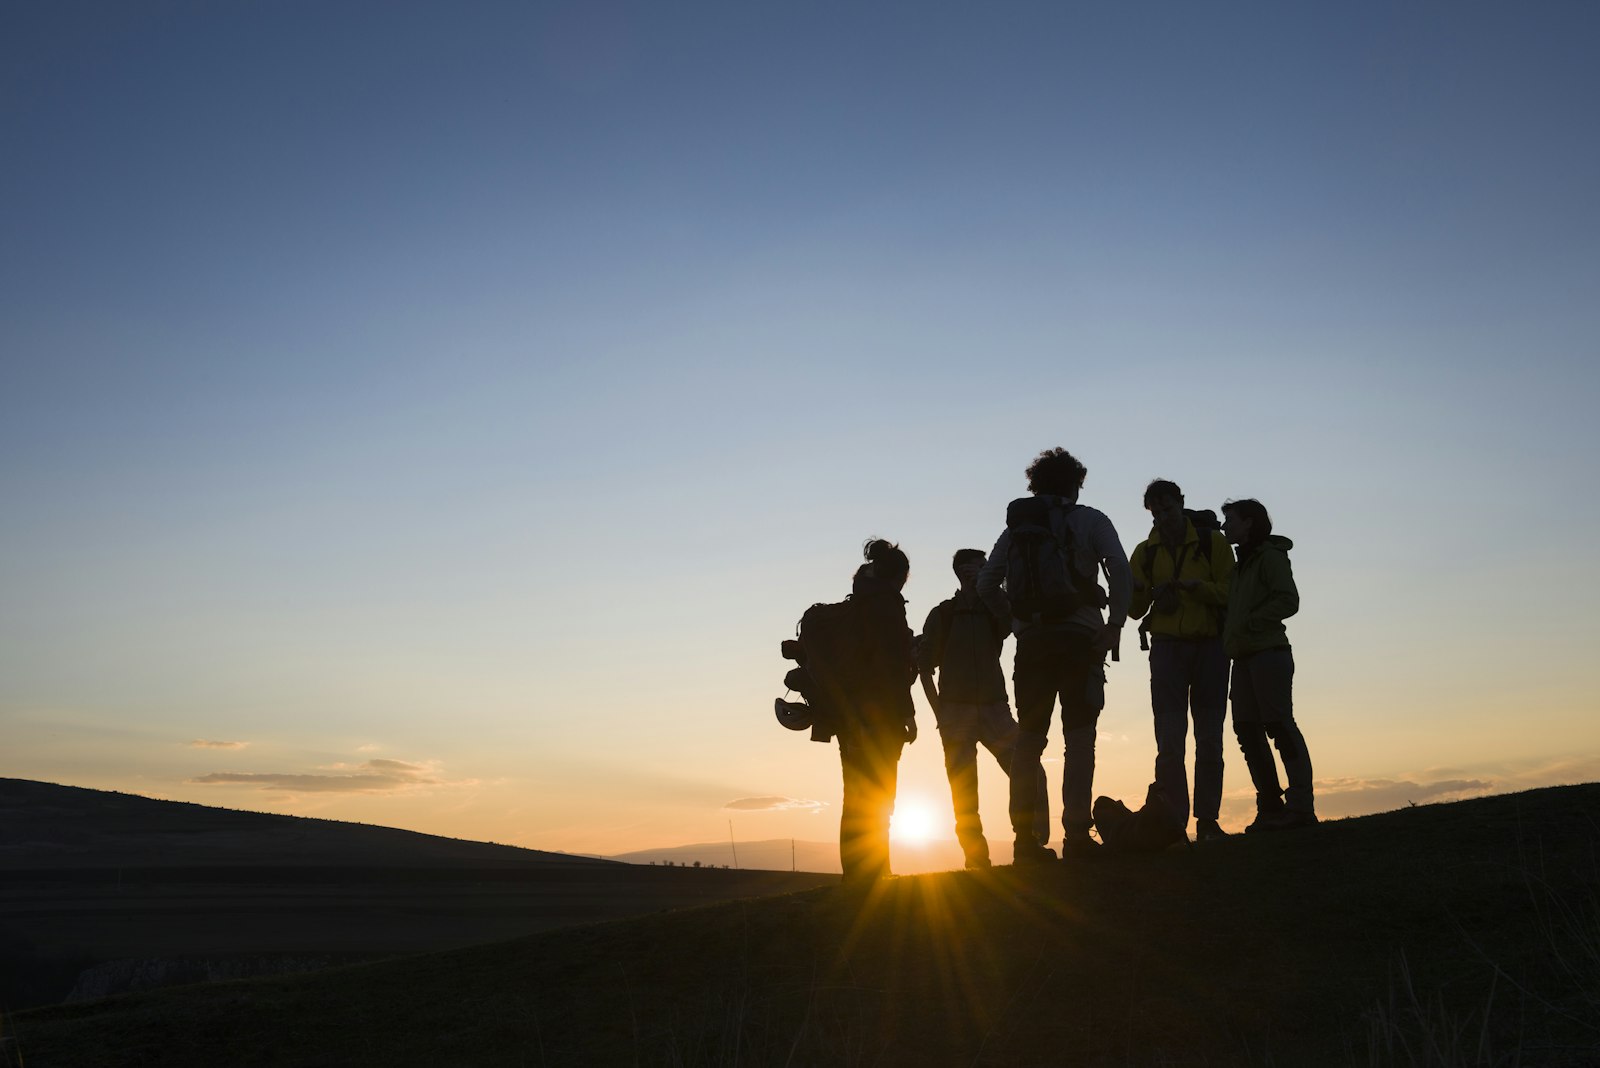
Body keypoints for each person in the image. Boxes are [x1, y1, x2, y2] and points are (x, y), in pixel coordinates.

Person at [977, 448, 1131, 863]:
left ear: (1035, 484)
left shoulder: (1015, 532)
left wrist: (1016, 622)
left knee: (1028, 742)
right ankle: (1077, 838)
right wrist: (1114, 623)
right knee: (1079, 739)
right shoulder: (1091, 520)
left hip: (1033, 644)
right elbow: (1119, 567)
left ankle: (1025, 841)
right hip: (1081, 640)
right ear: (1074, 483)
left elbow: (987, 584)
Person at [917, 548, 1049, 869]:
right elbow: (924, 667)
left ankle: (1029, 841)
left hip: (995, 709)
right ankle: (975, 857)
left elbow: (1010, 622)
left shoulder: (996, 609)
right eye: (970, 567)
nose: (976, 572)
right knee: (964, 791)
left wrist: (992, 589)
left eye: (981, 567)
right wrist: (940, 714)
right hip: (956, 714)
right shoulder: (943, 614)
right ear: (958, 572)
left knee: (1028, 767)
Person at [1129, 480, 1235, 843]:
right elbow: (1132, 608)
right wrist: (1146, 591)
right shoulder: (1144, 552)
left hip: (1210, 648)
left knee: (1209, 739)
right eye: (1155, 513)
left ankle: (1206, 821)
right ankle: (1176, 825)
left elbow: (1232, 593)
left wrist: (1196, 588)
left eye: (1167, 509)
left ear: (1181, 504)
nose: (1162, 517)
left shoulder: (1212, 544)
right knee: (1170, 743)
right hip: (1167, 651)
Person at [1221, 499, 1316, 831]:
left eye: (1230, 520)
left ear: (1249, 523)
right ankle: (1271, 807)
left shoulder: (1269, 557)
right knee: (1247, 731)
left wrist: (1251, 623)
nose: (1225, 526)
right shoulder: (1239, 567)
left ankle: (1301, 807)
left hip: (1269, 653)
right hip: (1244, 657)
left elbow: (1288, 599)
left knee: (1278, 726)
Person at [837, 539, 920, 880]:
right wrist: (908, 714)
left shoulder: (854, 604)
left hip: (846, 715)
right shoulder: (888, 606)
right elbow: (892, 668)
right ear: (899, 576)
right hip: (881, 716)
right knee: (881, 795)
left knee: (854, 794)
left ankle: (856, 873)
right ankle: (878, 870)